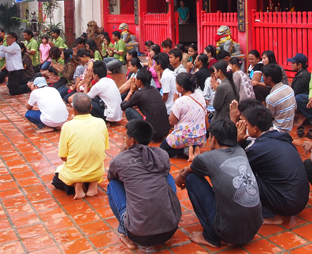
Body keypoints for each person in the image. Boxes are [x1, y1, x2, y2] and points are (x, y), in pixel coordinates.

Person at [175, 119, 263, 247]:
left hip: (228, 233)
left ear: (214, 139)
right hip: (253, 229)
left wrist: (180, 177)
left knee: (191, 178)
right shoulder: (241, 151)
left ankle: (210, 237)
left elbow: (186, 174)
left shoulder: (205, 158)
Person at [107, 120, 182, 249]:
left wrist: (123, 153)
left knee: (113, 185)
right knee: (167, 176)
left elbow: (111, 177)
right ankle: (165, 222)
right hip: (170, 229)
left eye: (126, 136)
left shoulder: (119, 160)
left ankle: (125, 232)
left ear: (131, 140)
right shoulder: (161, 154)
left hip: (137, 234)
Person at [236, 106, 309, 223]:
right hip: (300, 200)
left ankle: (269, 215)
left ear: (255, 128)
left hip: (287, 204)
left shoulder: (259, 148)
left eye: (247, 126)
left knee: (241, 176)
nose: (246, 129)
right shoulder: (280, 137)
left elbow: (237, 164)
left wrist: (238, 142)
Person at [52, 93, 109, 199]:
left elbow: (63, 157)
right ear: (91, 108)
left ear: (74, 109)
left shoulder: (67, 126)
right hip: (97, 172)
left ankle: (77, 185)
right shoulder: (101, 122)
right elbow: (104, 148)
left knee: (57, 179)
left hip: (75, 173)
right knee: (92, 162)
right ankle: (93, 185)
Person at [161, 73, 208, 162]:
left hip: (184, 136)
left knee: (162, 149)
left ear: (182, 87)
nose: (176, 86)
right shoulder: (200, 96)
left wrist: (174, 103)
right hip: (200, 137)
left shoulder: (179, 101)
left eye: (176, 84)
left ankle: (186, 151)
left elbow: (172, 121)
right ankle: (193, 148)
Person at [121, 68, 170, 141]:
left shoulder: (139, 94)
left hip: (152, 133)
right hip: (165, 131)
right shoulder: (154, 90)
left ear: (139, 81)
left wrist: (131, 90)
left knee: (128, 110)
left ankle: (140, 134)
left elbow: (123, 106)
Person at [262, 64, 296, 132]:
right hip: (289, 127)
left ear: (269, 78)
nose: (263, 79)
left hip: (278, 129)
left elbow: (269, 118)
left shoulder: (270, 98)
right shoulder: (289, 89)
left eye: (263, 76)